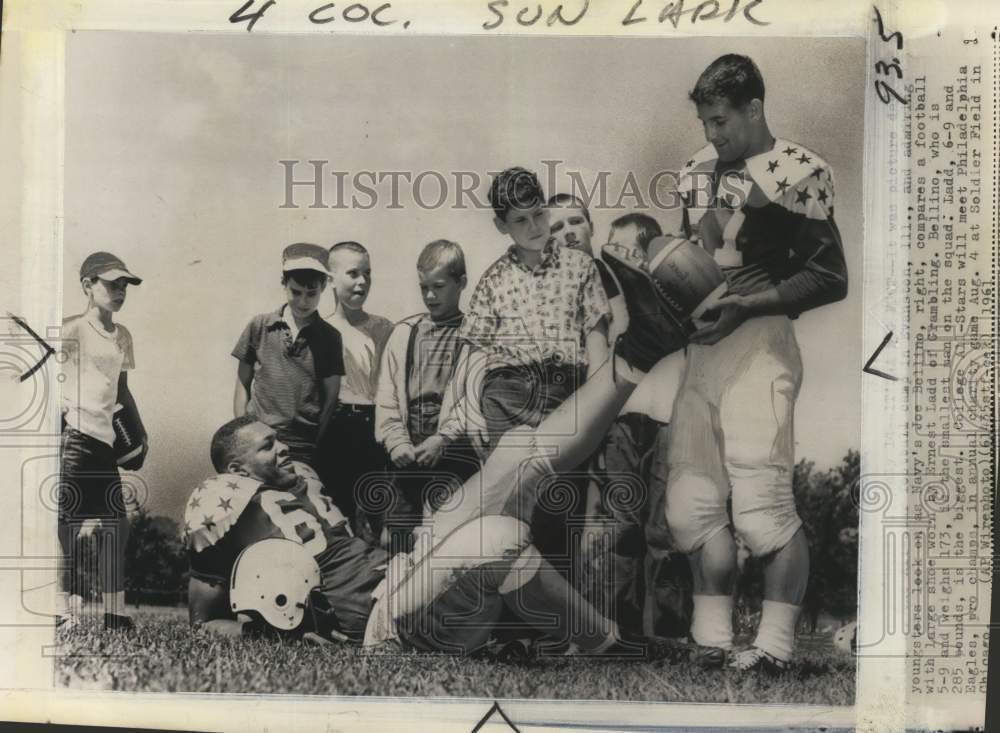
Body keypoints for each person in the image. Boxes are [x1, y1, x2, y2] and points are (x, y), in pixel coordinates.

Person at [185, 245, 690, 658]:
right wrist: (277, 633)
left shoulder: (300, 479)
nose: (282, 450)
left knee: (515, 450)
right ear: (235, 470)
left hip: (404, 574)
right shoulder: (225, 499)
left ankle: (640, 352)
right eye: (267, 447)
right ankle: (610, 645)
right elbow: (204, 619)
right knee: (500, 536)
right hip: (385, 625)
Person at [666, 54, 848, 673]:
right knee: (691, 503)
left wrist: (745, 306)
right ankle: (712, 640)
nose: (711, 136)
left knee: (763, 509)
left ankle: (773, 648)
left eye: (720, 121)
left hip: (760, 341)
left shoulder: (800, 169)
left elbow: (830, 277)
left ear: (753, 108)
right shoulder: (695, 170)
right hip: (703, 348)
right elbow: (692, 260)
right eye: (705, 123)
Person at [549, 208, 693, 639]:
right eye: (614, 252)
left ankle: (669, 634)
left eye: (627, 250)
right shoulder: (592, 284)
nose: (620, 259)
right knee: (619, 528)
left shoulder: (672, 290)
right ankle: (618, 632)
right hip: (621, 419)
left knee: (667, 529)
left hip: (671, 415)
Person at [460, 169, 610, 566]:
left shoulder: (581, 267)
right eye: (520, 221)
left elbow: (596, 341)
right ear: (500, 226)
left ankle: (557, 623)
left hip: (565, 392)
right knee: (508, 506)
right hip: (505, 395)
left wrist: (598, 405)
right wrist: (468, 409)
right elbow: (474, 352)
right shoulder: (493, 278)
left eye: (538, 214)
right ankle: (510, 626)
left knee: (559, 504)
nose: (534, 226)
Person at [58, 252, 147, 631]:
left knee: (116, 526)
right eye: (111, 283)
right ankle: (60, 611)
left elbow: (122, 391)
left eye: (124, 285)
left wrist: (140, 434)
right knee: (65, 524)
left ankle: (115, 615)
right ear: (87, 286)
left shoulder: (123, 335)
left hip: (105, 443)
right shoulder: (70, 329)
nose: (119, 291)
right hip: (75, 436)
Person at [374, 240, 480, 553]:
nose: (430, 296)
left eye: (439, 286)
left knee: (447, 539)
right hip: (407, 455)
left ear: (461, 283)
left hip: (453, 455)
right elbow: (387, 394)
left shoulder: (475, 335)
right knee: (399, 538)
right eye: (424, 287)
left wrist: (445, 438)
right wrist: (396, 441)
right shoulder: (404, 332)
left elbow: (473, 398)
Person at [232, 243, 344, 466]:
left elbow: (330, 399)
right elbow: (242, 384)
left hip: (303, 447)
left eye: (312, 294)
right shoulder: (259, 325)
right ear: (284, 283)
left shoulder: (330, 337)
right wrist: (245, 433)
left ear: (323, 287)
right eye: (296, 292)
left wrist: (316, 445)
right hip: (258, 442)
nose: (303, 301)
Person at [317, 241, 394, 538]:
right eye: (352, 274)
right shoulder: (319, 330)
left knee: (380, 519)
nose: (362, 281)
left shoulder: (384, 328)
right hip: (335, 431)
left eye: (368, 273)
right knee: (339, 516)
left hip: (375, 429)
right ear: (330, 279)